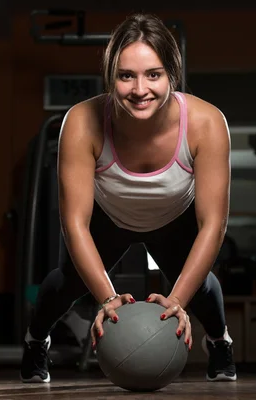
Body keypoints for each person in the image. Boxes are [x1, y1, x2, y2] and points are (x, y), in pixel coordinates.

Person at [20, 13, 237, 384]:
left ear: (172, 73)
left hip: (174, 217)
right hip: (109, 218)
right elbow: (74, 224)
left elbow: (213, 224)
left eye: (153, 74)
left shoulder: (206, 123)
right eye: (126, 76)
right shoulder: (81, 121)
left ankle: (219, 342)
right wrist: (106, 299)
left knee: (198, 285)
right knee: (68, 282)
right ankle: (35, 340)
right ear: (110, 77)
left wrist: (176, 301)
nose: (140, 89)